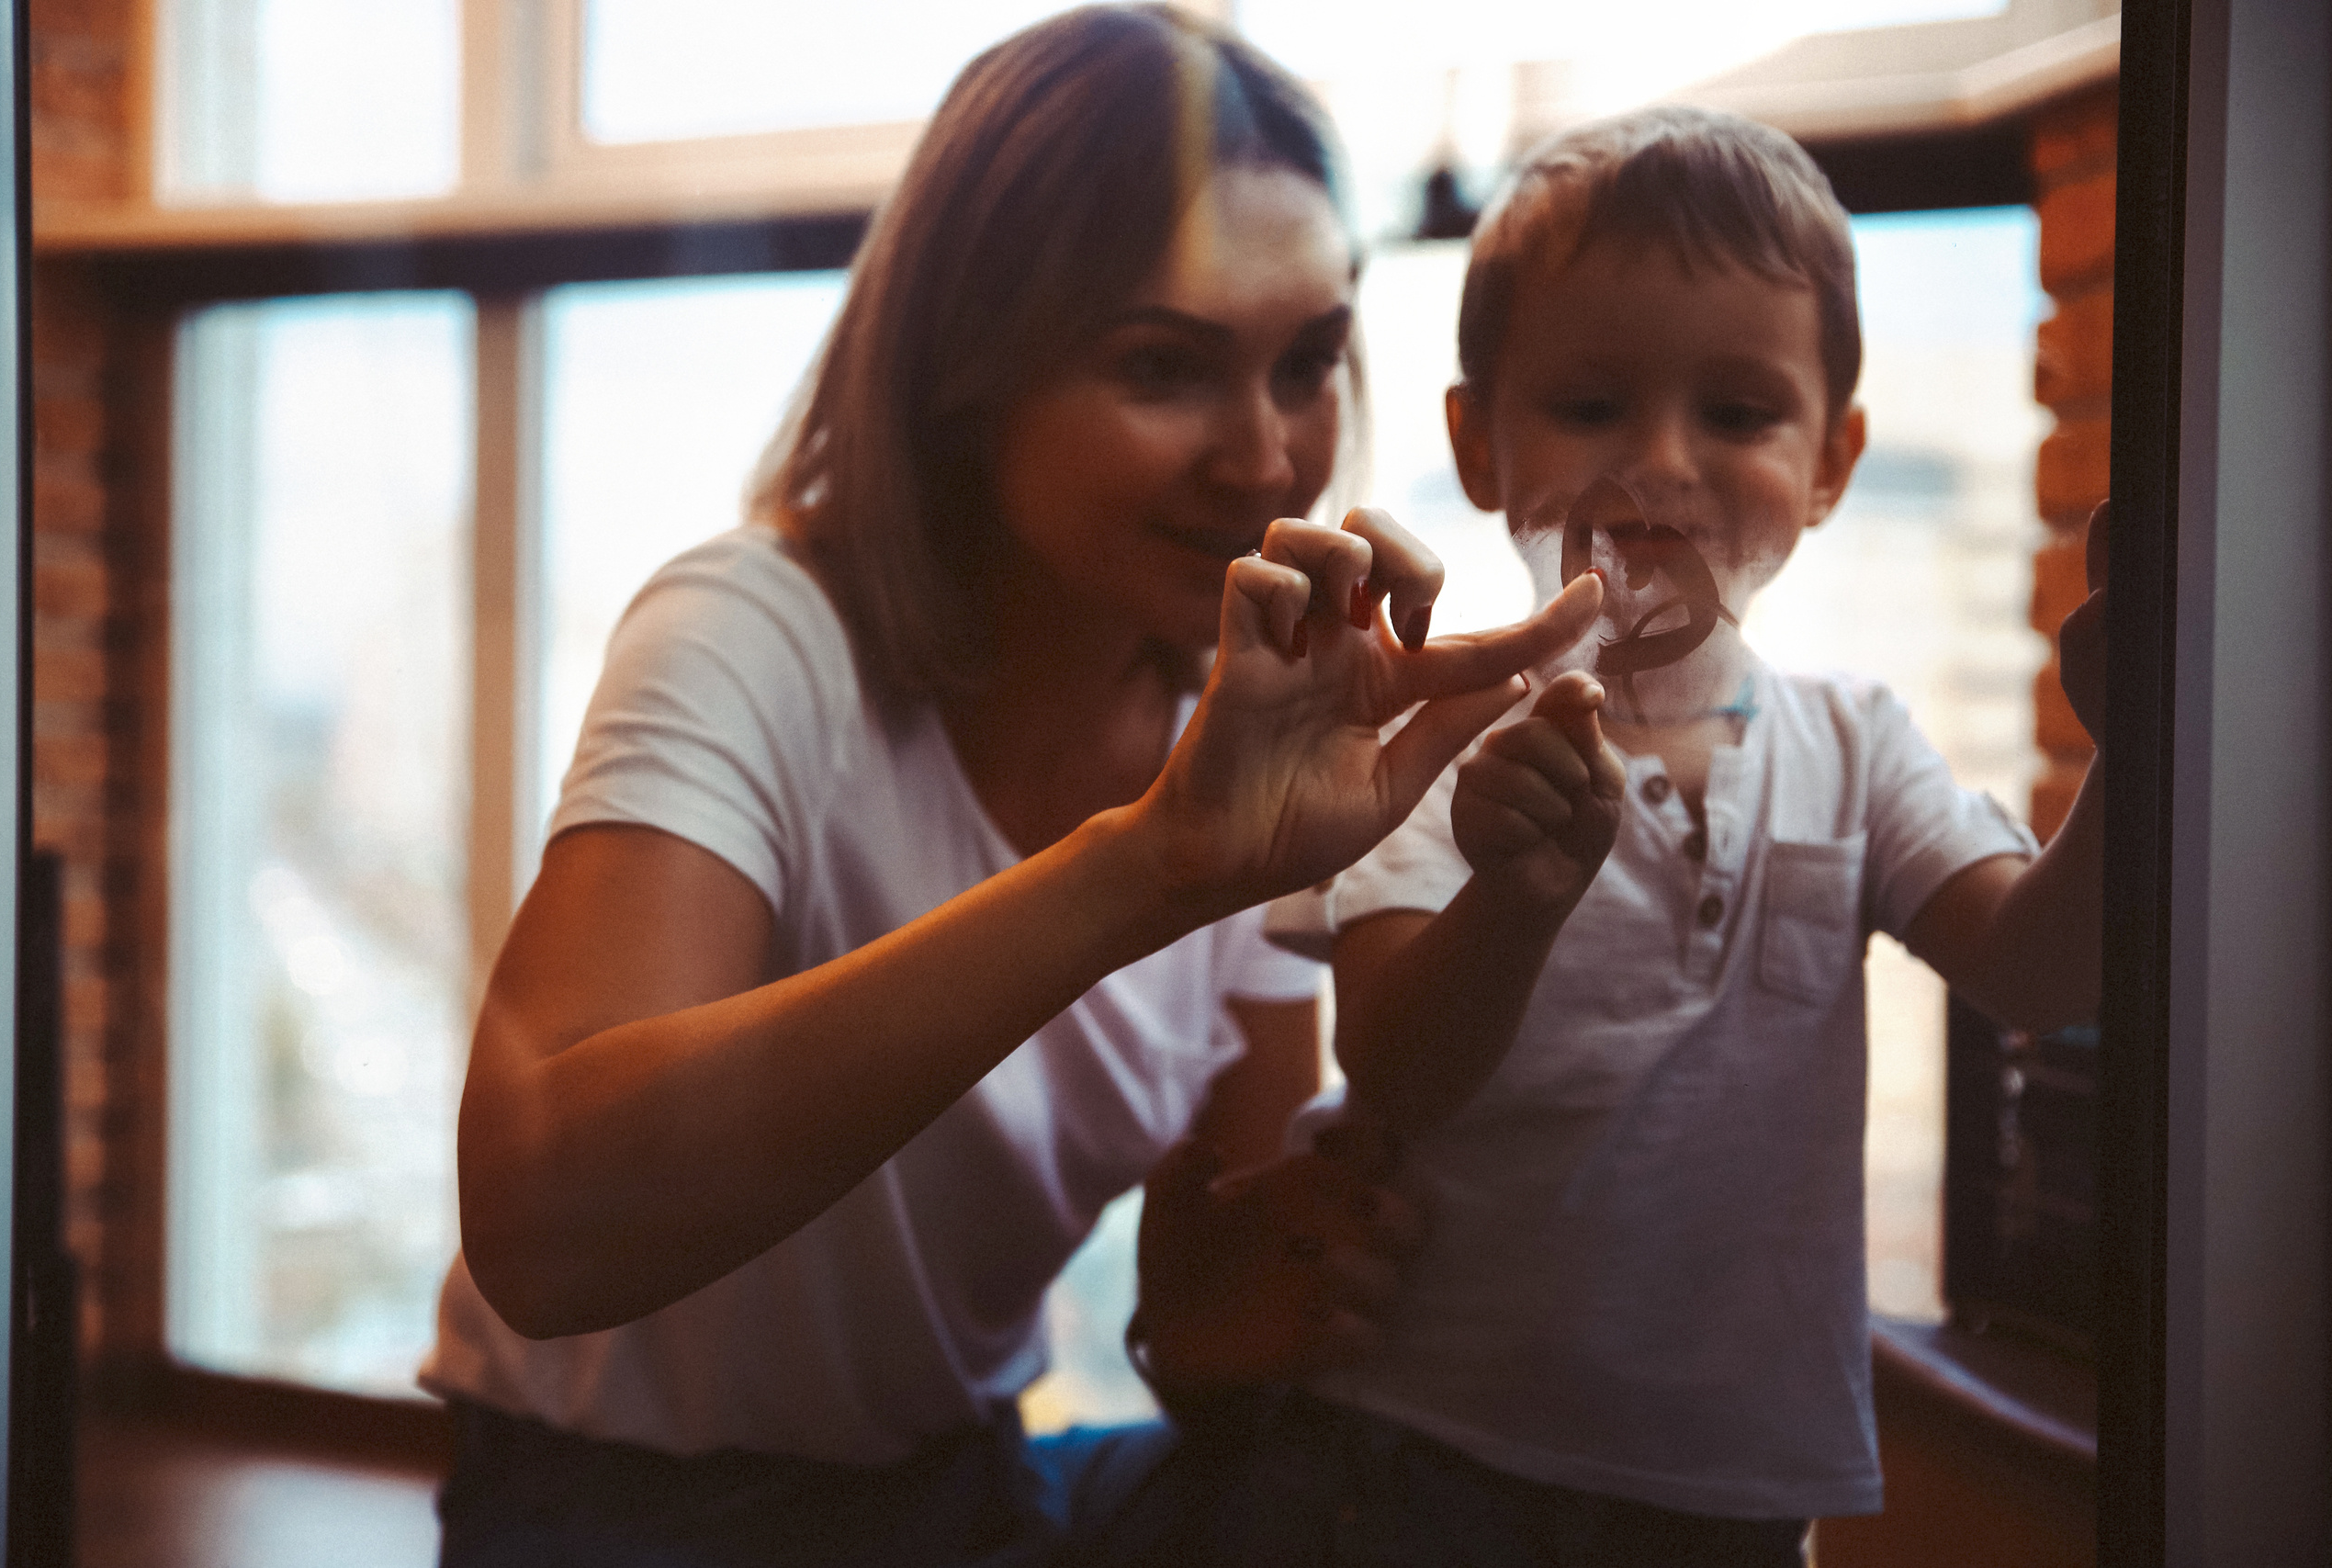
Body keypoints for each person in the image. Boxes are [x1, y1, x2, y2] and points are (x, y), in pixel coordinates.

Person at [416, 7, 1604, 1565]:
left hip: (963, 1481)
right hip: (625, 1504)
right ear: (972, 371)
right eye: (1164, 367)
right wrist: (1150, 865)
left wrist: (1215, 1328)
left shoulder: (1255, 728)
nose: (1264, 458)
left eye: (1308, 361)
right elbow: (544, 1228)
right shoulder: (760, 632)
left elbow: (1226, 1286)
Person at [1108, 107, 2106, 1567]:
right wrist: (1515, 901)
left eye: (1739, 414)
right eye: (1590, 405)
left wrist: (2142, 758)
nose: (1658, 463)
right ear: (1482, 442)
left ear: (1832, 461)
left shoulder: (1860, 744)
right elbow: (1395, 1064)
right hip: (1412, 1466)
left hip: (1732, 1502)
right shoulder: (1433, 739)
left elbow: (2039, 975)